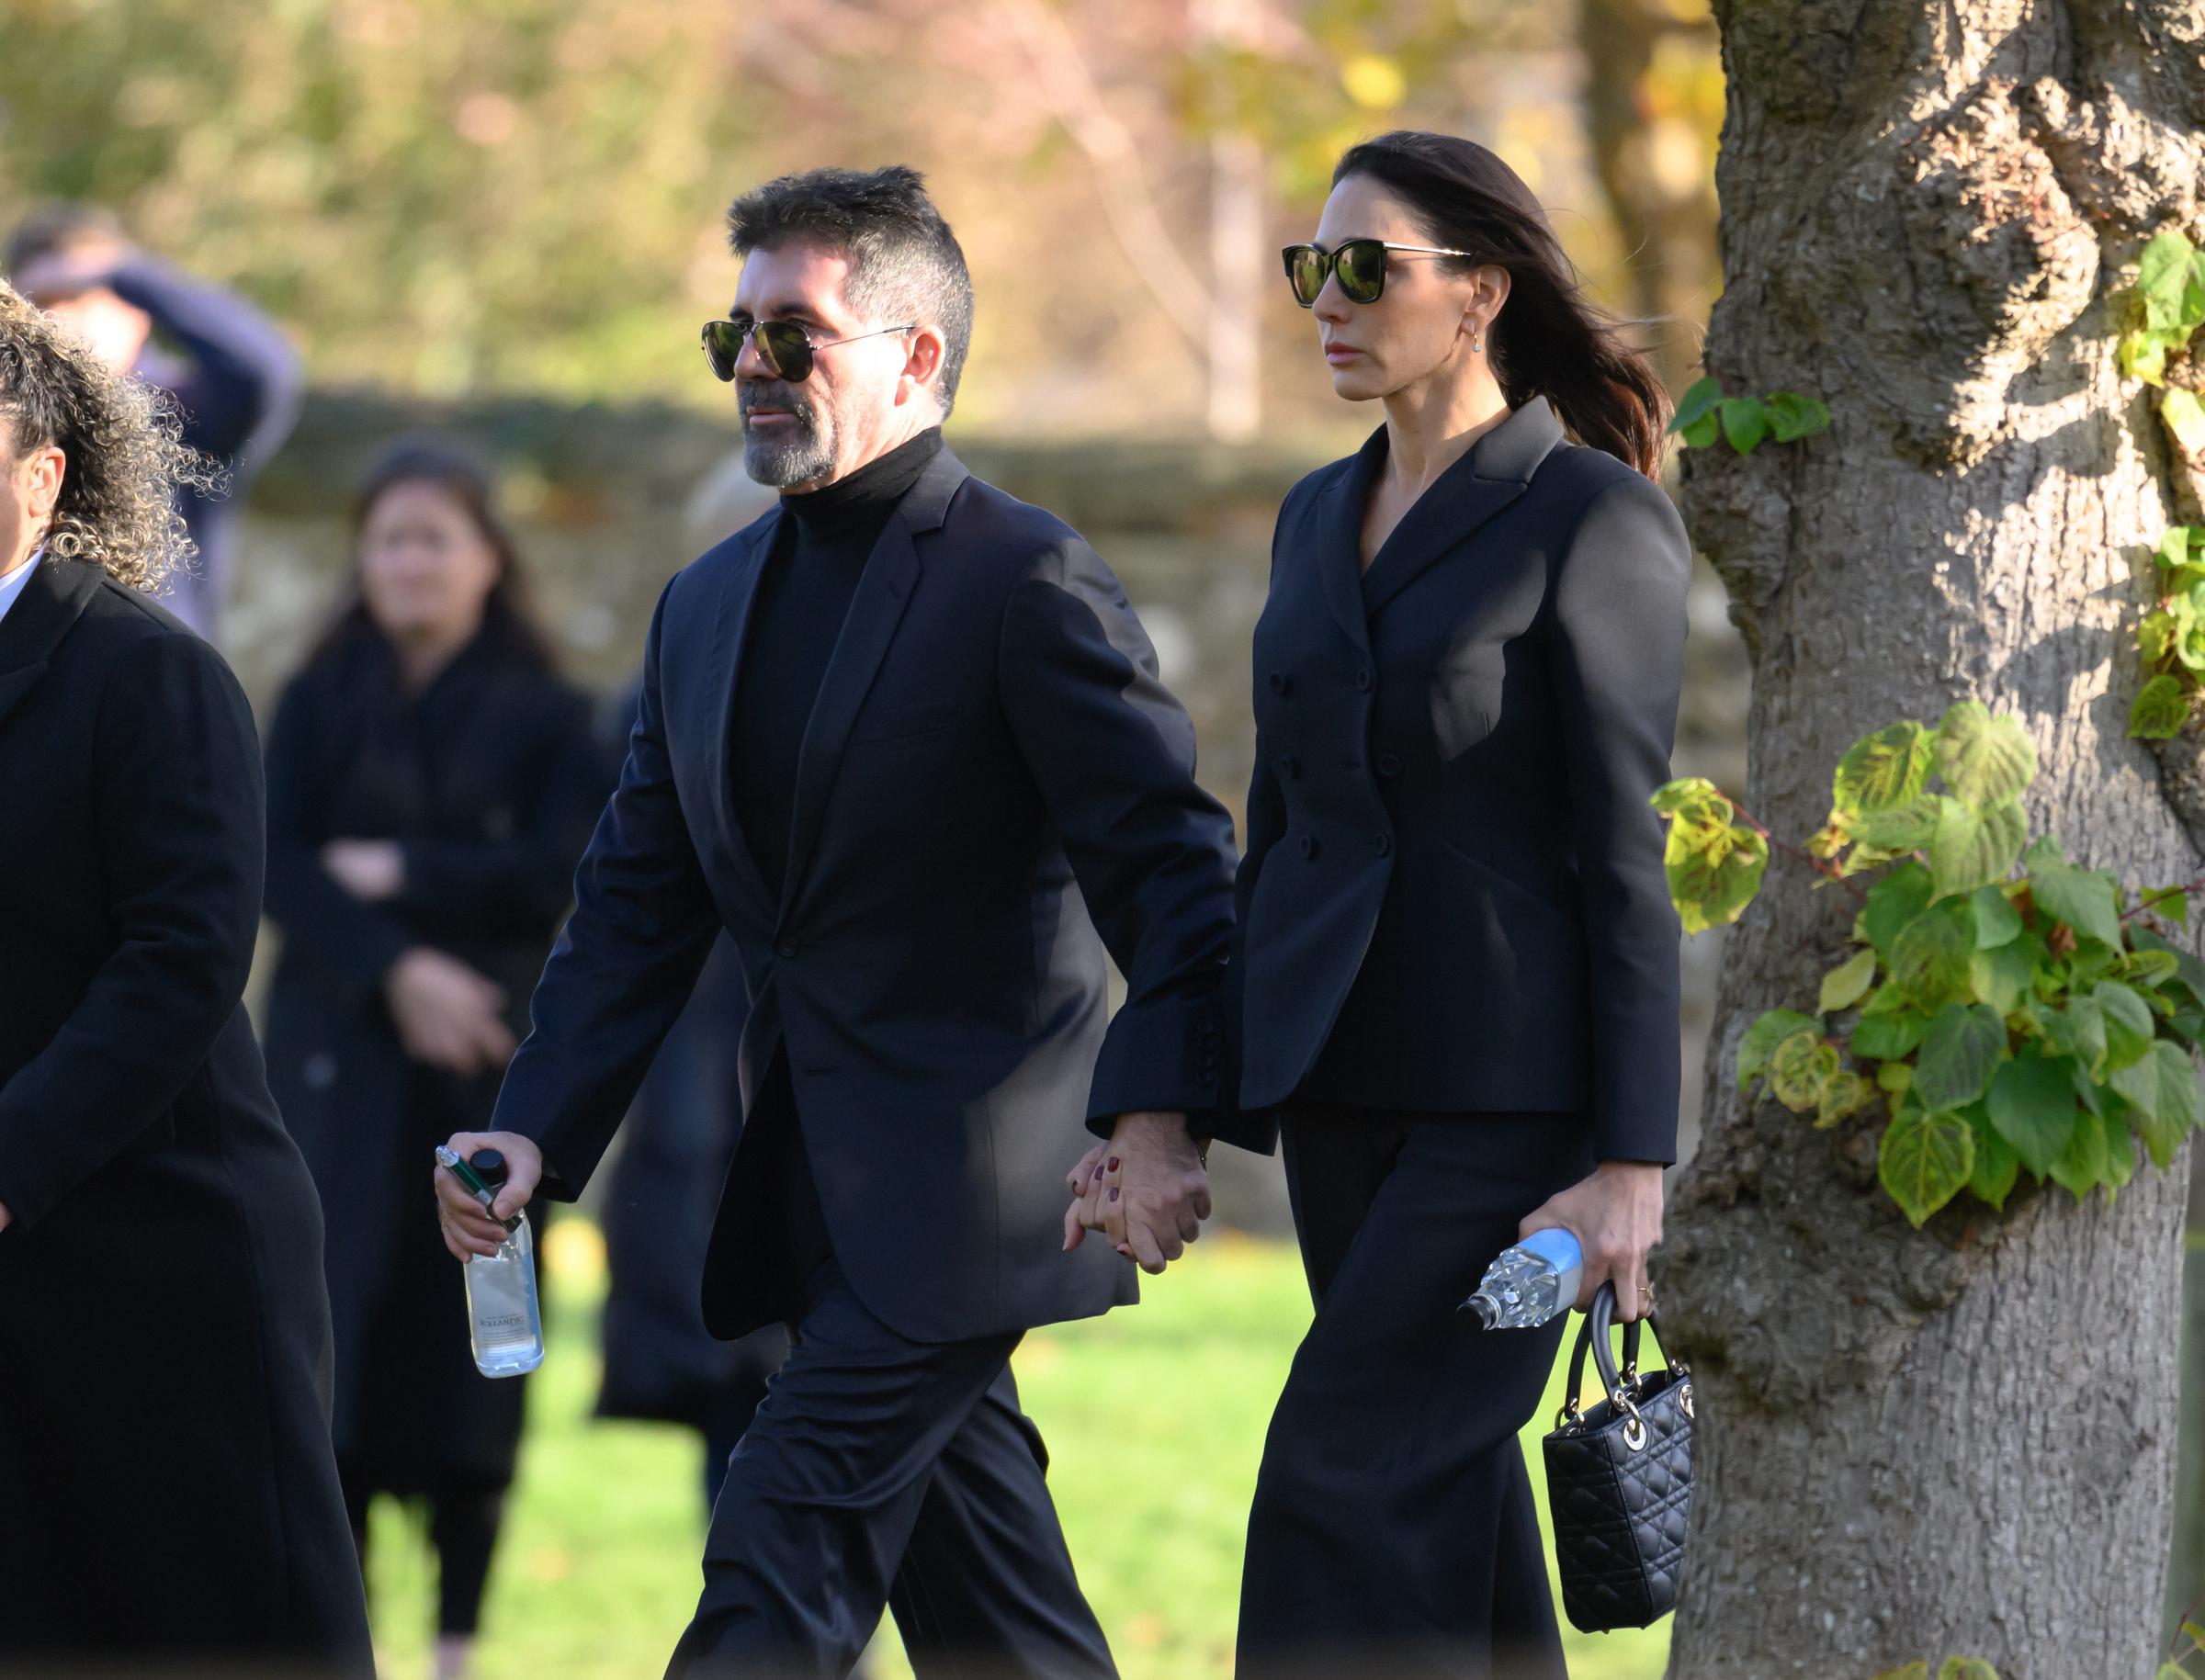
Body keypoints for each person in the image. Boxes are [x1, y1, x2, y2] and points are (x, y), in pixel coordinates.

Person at [434, 163, 1242, 1679]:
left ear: (916, 356)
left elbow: (1176, 862)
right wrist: (533, 1129)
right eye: (730, 334)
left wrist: (1161, 1113)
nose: (750, 365)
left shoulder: (1025, 577)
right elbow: (634, 903)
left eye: (792, 334)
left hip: (974, 1189)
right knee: (999, 1618)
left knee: (772, 1557)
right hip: (811, 1190)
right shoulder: (706, 602)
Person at [1227, 131, 1690, 1677]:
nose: (1330, 300)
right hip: (1337, 1089)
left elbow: (1629, 855)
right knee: (1444, 1494)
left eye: (1369, 268)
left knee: (1339, 1484)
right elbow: (1277, 821)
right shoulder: (1312, 514)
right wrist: (1178, 1085)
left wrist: (1634, 1161)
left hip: (1507, 1111)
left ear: (1481, 291)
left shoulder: (1591, 518)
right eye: (1315, 268)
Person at [0, 281, 372, 1673]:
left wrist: (9, 1158)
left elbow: (183, 959)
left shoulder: (145, 673)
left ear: (42, 478)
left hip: (160, 1260)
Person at [261, 439, 606, 1680]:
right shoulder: (319, 697)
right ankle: (341, 1643)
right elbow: (276, 860)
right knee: (335, 1352)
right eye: (390, 538)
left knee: (476, 1353)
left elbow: (571, 865)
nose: (409, 561)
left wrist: (405, 871)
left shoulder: (549, 714)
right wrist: (398, 968)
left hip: (485, 1078)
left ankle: (459, 1648)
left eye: (434, 538)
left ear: (487, 558)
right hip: (336, 1082)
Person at [6, 202, 304, 640]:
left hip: (152, 675)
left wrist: (118, 271)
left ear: (137, 313)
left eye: (77, 296)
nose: (57, 321)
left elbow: (264, 369)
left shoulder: (180, 415)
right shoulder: (11, 424)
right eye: (40, 304)